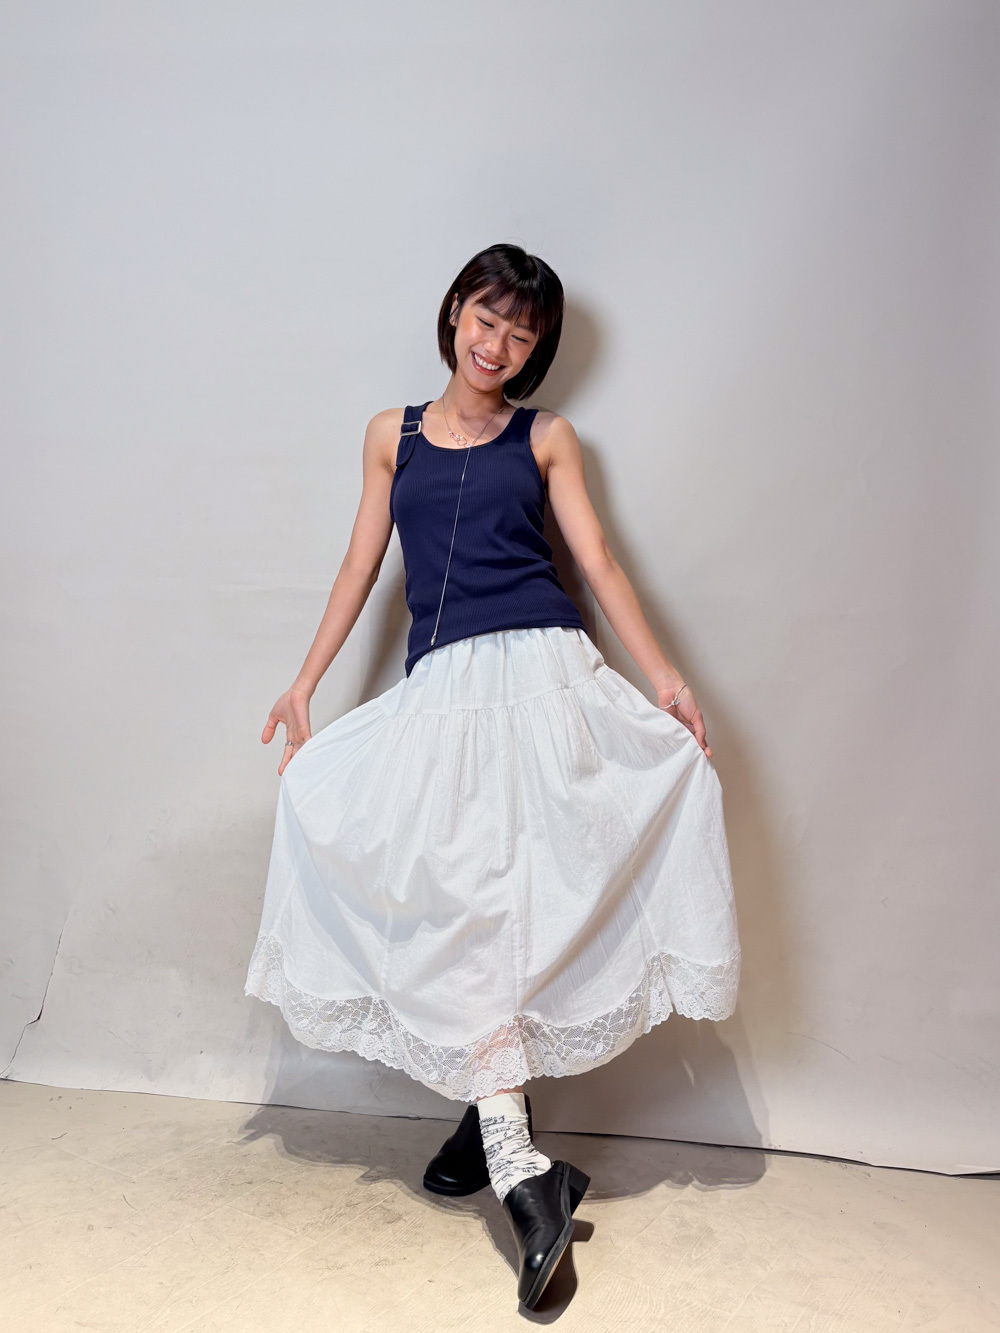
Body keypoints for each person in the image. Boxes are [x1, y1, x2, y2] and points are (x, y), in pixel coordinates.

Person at [245, 242, 741, 1309]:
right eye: (486, 317)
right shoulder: (390, 436)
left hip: (545, 676)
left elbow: (596, 560)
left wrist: (665, 682)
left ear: (536, 349)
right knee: (469, 904)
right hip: (445, 691)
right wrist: (303, 682)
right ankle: (512, 1151)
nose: (497, 343)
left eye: (522, 332)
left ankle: (506, 1154)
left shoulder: (548, 437)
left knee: (517, 903)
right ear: (454, 312)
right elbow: (361, 563)